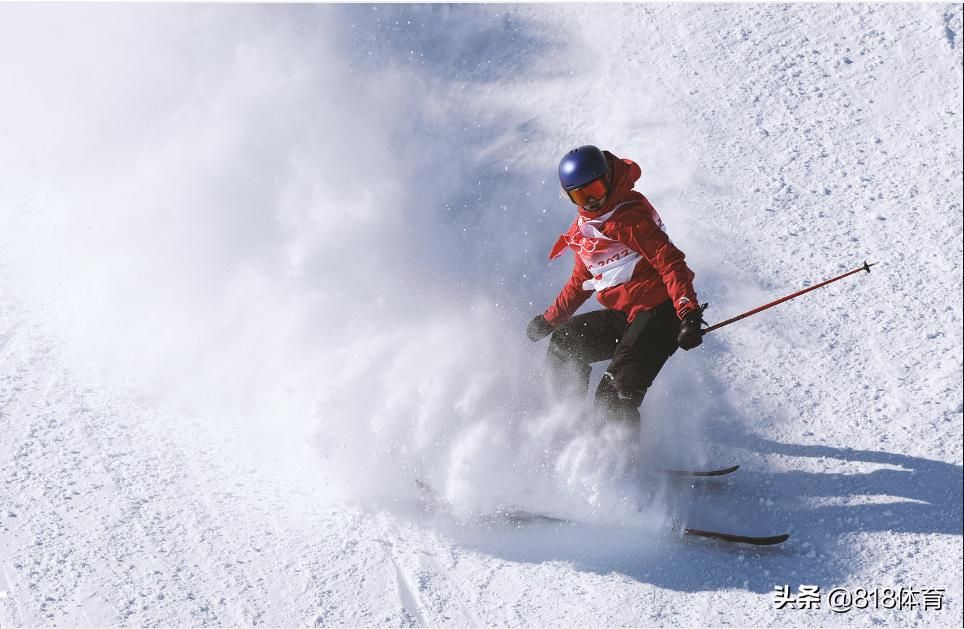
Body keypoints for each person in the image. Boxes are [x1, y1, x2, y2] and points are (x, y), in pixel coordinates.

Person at [526, 145, 705, 425]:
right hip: (626, 315)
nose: (592, 201)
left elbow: (669, 262)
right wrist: (550, 320)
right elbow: (580, 281)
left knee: (613, 393)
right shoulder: (586, 232)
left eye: (595, 190)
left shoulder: (629, 218)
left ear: (608, 178)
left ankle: (622, 462)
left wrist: (688, 313)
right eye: (581, 195)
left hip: (660, 312)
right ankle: (565, 423)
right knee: (565, 342)